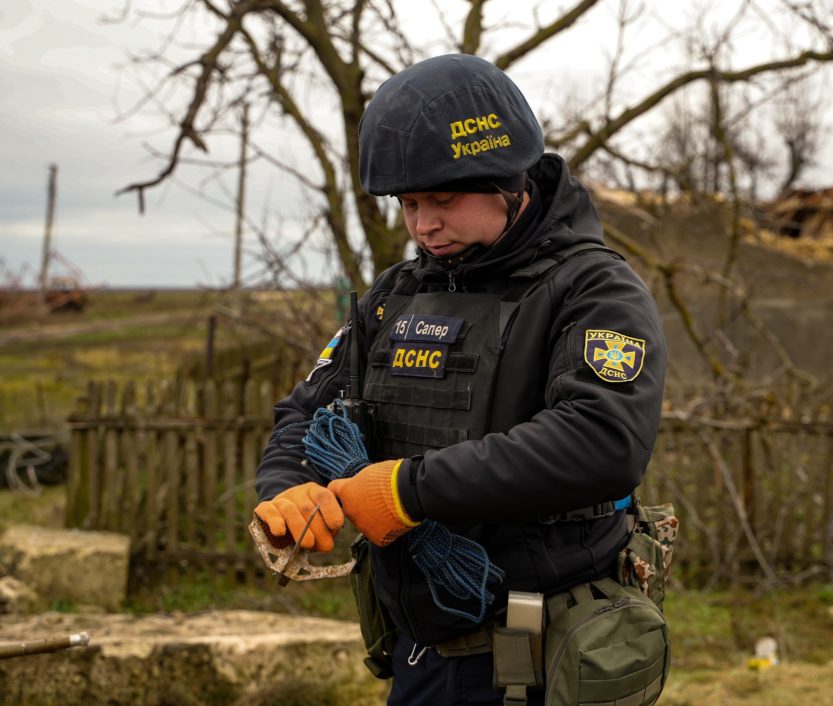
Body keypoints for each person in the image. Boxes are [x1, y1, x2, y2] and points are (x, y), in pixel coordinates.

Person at [254, 53, 667, 705]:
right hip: (419, 648)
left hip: (536, 652)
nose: (423, 225)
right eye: (409, 204)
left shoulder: (593, 290)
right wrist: (288, 492)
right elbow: (307, 413)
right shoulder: (393, 297)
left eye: (443, 200)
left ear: (509, 179)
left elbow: (601, 443)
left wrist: (407, 490)